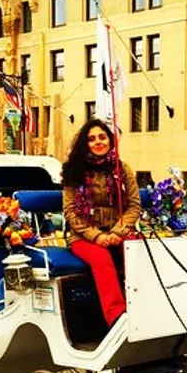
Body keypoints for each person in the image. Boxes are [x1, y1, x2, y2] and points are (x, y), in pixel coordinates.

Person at [62, 119, 141, 326]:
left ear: (110, 140)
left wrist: (117, 232)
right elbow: (70, 212)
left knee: (139, 250)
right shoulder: (74, 171)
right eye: (91, 139)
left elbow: (134, 206)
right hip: (83, 236)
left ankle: (146, 305)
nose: (98, 142)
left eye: (102, 137)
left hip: (118, 231)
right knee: (101, 257)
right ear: (85, 144)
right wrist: (97, 236)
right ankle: (117, 316)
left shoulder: (122, 169)